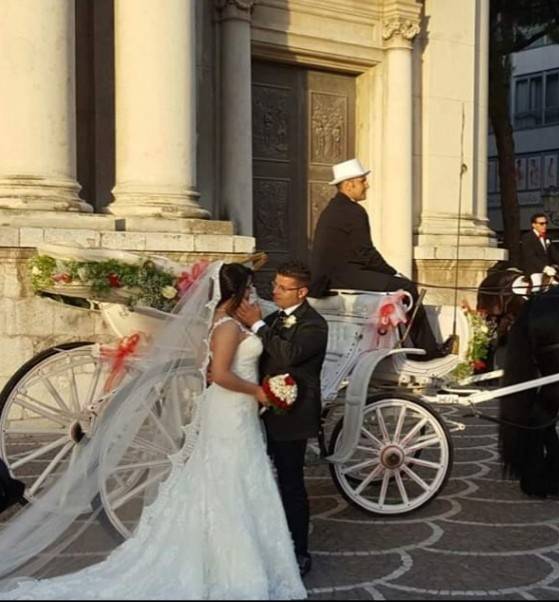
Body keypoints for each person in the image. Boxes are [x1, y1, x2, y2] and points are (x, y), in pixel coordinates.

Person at [0, 263, 307, 599]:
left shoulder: (226, 322)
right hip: (232, 409)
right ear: (235, 293)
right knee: (230, 478)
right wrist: (259, 392)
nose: (254, 294)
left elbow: (210, 371)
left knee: (235, 477)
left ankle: (240, 553)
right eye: (248, 288)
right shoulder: (229, 328)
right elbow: (218, 374)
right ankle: (233, 564)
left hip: (235, 410)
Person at [235, 260, 327, 578]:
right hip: (259, 411)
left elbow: (288, 355)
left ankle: (299, 551)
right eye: (273, 285)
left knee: (291, 484)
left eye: (281, 288)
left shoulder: (315, 324)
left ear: (301, 292)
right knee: (259, 480)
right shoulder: (274, 317)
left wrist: (259, 327)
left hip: (292, 415)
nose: (274, 291)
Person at [309, 158, 452, 360]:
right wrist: (392, 272)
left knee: (400, 285)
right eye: (362, 181)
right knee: (407, 288)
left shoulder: (334, 208)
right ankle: (427, 351)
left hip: (334, 276)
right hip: (343, 276)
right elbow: (365, 253)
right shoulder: (353, 211)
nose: (367, 185)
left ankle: (410, 346)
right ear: (350, 184)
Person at [519, 213, 559, 277]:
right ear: (534, 225)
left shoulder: (547, 237)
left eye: (546, 223)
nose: (544, 225)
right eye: (541, 223)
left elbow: (554, 252)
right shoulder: (527, 237)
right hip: (533, 272)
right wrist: (545, 268)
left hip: (548, 271)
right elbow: (530, 257)